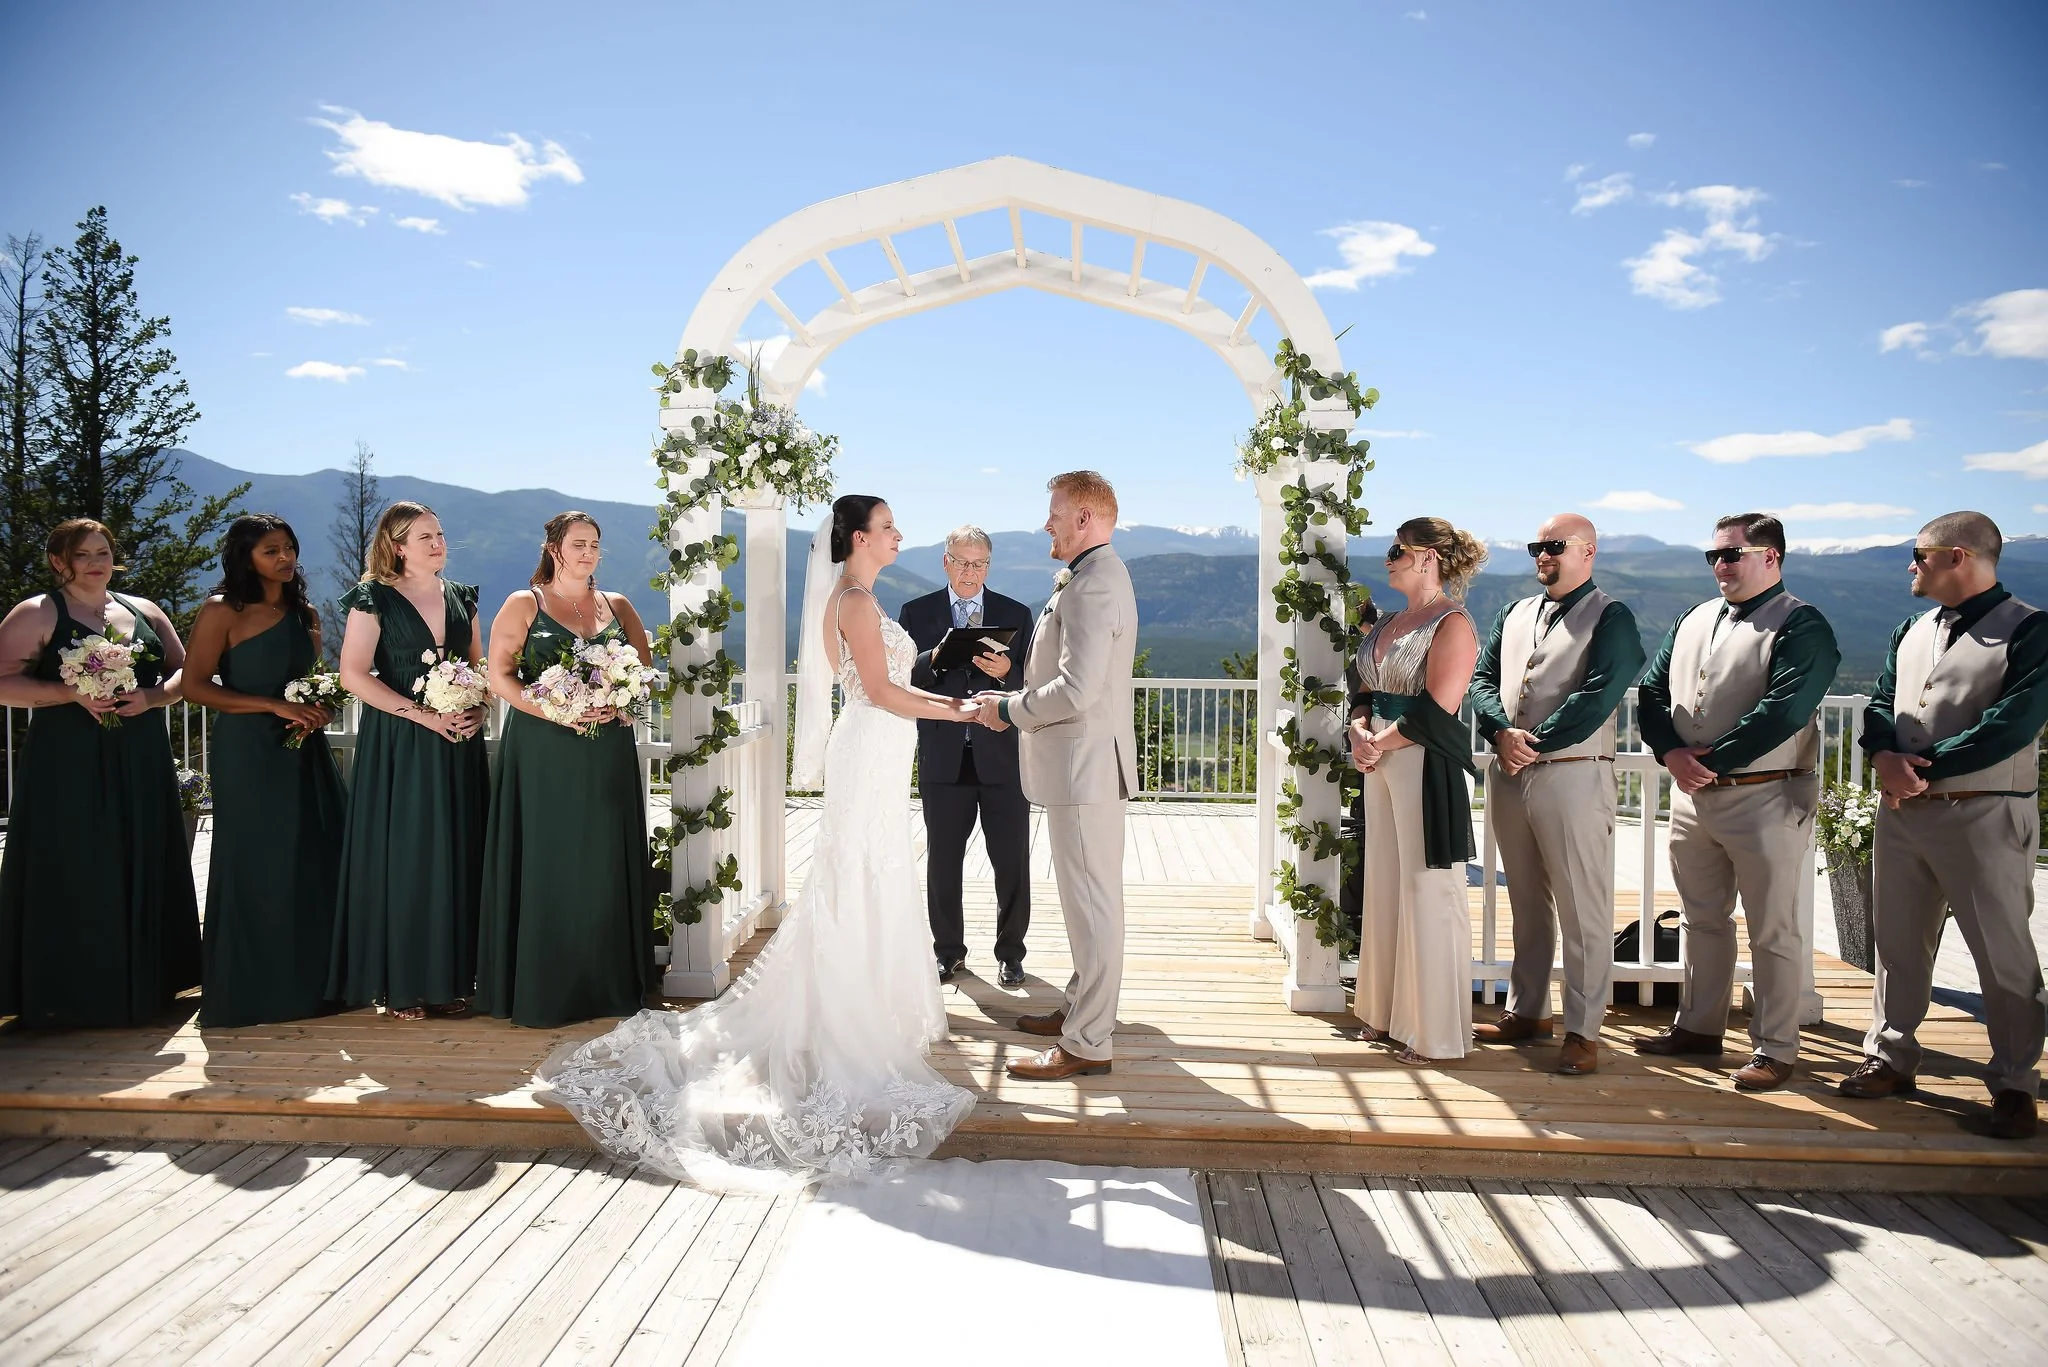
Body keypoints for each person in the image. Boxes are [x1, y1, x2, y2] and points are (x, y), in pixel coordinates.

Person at [539, 495, 981, 1189]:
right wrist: (958, 707)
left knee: (875, 870)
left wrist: (942, 674)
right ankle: (846, 1015)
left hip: (881, 749)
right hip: (871, 743)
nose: (900, 533)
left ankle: (871, 1000)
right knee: (857, 872)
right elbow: (880, 691)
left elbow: (889, 679)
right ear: (860, 537)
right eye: (890, 525)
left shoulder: (859, 594)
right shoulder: (857, 600)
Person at [1841, 512, 2046, 1140]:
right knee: (1898, 944)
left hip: (1984, 811)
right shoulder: (1912, 626)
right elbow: (1881, 701)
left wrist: (1922, 769)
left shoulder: (2032, 629)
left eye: (1918, 554)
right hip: (1904, 812)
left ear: (1958, 557)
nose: (1910, 564)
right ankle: (1890, 1055)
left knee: (2001, 951)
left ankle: (2015, 1084)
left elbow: (2014, 722)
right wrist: (1882, 755)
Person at [1635, 512, 1840, 1091]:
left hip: (1765, 795)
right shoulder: (1694, 617)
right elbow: (1652, 689)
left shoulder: (1803, 625)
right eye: (1714, 556)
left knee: (1772, 928)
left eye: (1732, 554)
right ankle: (1699, 1027)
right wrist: (1670, 753)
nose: (1719, 565)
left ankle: (1776, 1047)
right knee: (1702, 919)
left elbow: (1785, 710)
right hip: (1692, 797)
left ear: (1770, 557)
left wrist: (1706, 761)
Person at [0, 518, 201, 1027]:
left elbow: (186, 672)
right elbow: (2, 682)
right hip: (66, 761)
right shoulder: (39, 613)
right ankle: (67, 989)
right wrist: (72, 693)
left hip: (141, 752)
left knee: (142, 849)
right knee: (74, 860)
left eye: (104, 552)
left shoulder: (145, 610)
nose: (97, 562)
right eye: (84, 554)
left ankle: (150, 983)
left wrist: (153, 696)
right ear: (58, 561)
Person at [975, 471, 1139, 1081]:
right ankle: (1079, 1009)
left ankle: (1088, 1043)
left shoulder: (1092, 585)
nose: (1046, 523)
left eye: (1055, 513)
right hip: (1085, 767)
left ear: (1086, 519)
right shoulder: (1094, 575)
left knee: (1093, 907)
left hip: (1083, 769)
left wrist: (1008, 709)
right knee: (1088, 903)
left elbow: (1077, 689)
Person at [1468, 514, 1645, 1075]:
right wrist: (1500, 731)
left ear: (1587, 552)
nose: (1542, 555)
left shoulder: (1612, 616)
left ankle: (1584, 1031)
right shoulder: (1513, 612)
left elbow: (1600, 693)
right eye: (1536, 547)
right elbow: (1482, 678)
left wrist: (1534, 741)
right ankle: (1528, 1011)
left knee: (1582, 907)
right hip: (1510, 769)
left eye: (1554, 546)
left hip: (1572, 771)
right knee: (1525, 899)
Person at [476, 511, 660, 1028]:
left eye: (595, 544)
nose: (588, 552)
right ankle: (546, 987)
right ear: (553, 548)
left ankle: (607, 985)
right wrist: (559, 709)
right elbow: (500, 676)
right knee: (549, 859)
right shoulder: (523, 604)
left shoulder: (617, 606)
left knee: (603, 860)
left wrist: (623, 702)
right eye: (578, 544)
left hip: (606, 752)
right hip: (544, 750)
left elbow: (642, 676)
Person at [181, 514, 347, 1028]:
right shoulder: (222, 611)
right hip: (248, 752)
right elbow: (194, 686)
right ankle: (252, 991)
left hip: (301, 748)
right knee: (256, 862)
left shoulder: (307, 613)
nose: (284, 558)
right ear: (245, 557)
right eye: (270, 550)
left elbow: (309, 683)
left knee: (311, 856)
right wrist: (271, 707)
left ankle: (314, 986)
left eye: (289, 548)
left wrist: (319, 707)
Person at [328, 502, 491, 1021]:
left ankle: (449, 981)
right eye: (425, 537)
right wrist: (422, 715)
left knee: (458, 855)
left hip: (458, 744)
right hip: (400, 745)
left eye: (440, 534)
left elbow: (480, 666)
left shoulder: (464, 597)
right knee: (411, 860)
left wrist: (480, 708)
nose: (438, 543)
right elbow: (353, 674)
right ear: (397, 546)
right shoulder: (373, 599)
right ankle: (404, 984)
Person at [1347, 517, 1483, 1066]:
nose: (1388, 557)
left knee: (1429, 891)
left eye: (1398, 549)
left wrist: (1378, 741)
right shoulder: (1391, 622)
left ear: (1428, 557)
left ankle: (1434, 1034)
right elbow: (1363, 686)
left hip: (1424, 762)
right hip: (1379, 759)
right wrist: (1358, 729)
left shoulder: (1453, 624)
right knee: (1384, 885)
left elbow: (1439, 705)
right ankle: (1385, 1015)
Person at [899, 525, 1035, 988]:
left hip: (1003, 758)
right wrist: (935, 656)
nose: (970, 571)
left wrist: (1009, 670)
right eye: (961, 561)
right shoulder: (915, 613)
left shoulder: (1016, 614)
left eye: (979, 563)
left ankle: (1011, 954)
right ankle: (948, 952)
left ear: (989, 565)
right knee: (943, 862)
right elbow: (903, 679)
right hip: (943, 759)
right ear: (945, 562)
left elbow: (1034, 686)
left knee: (1012, 862)